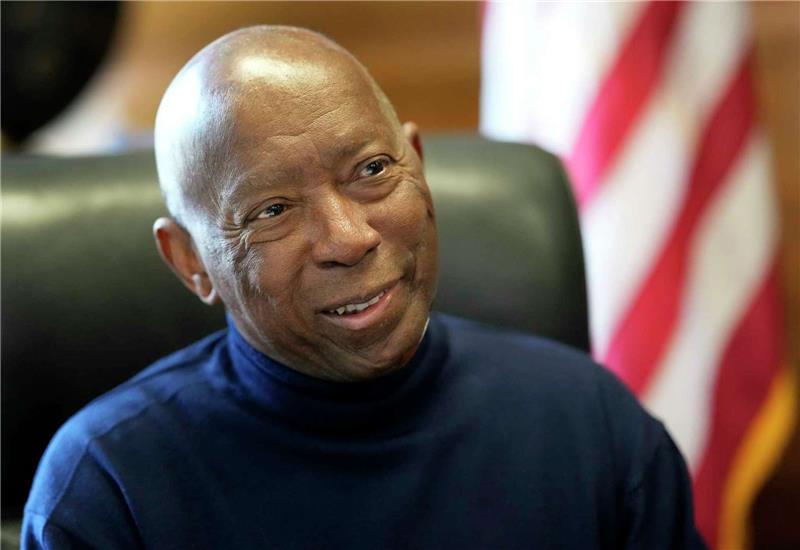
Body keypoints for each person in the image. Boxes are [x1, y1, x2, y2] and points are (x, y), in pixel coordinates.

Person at [22, 26, 706, 549]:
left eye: (372, 170)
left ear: (419, 165)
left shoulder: (593, 426)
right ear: (190, 262)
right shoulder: (109, 488)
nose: (349, 237)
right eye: (271, 211)